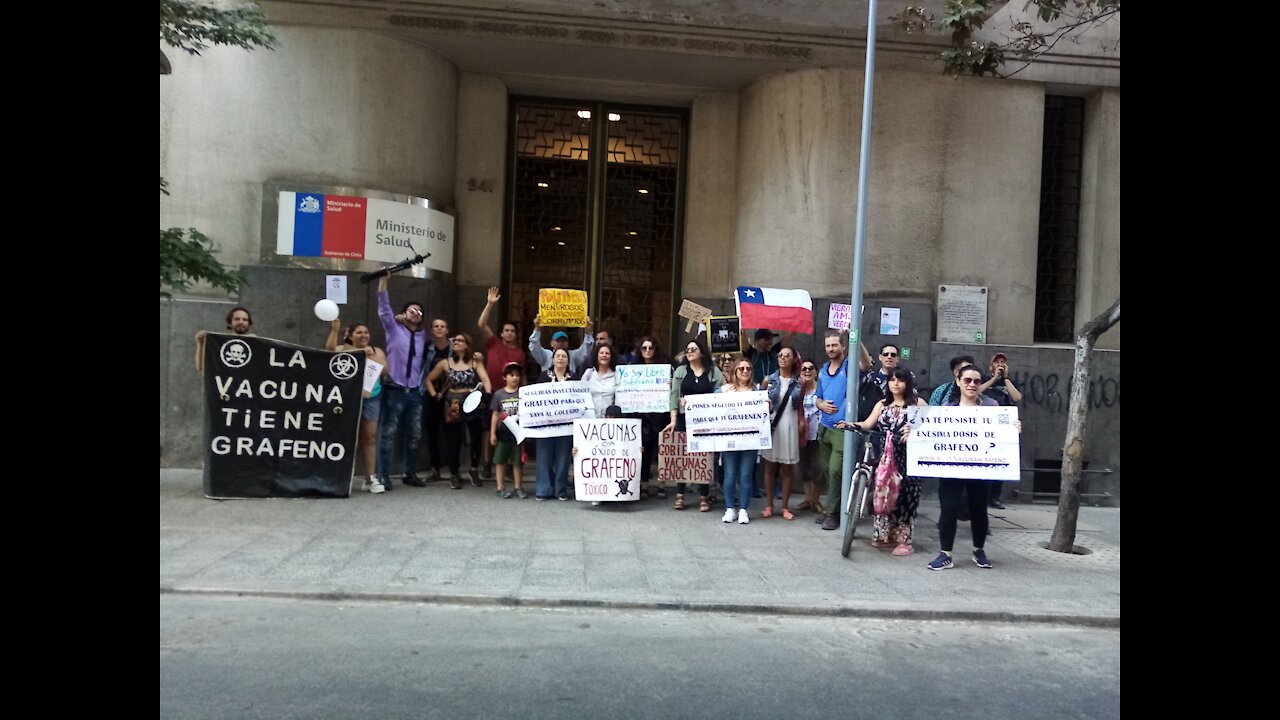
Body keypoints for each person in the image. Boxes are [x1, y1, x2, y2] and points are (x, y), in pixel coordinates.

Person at [927, 365, 1022, 571]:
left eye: (976, 381)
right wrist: (913, 430)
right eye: (967, 380)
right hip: (951, 467)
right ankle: (946, 554)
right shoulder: (946, 409)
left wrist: (1013, 429)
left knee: (979, 509)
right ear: (958, 382)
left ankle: (979, 550)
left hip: (980, 468)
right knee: (949, 508)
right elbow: (931, 433)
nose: (972, 384)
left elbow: (1003, 434)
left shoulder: (993, 407)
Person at [842, 367, 927, 556]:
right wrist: (850, 424)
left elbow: (925, 429)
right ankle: (883, 534)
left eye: (900, 380)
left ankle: (904, 539)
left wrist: (912, 431)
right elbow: (868, 423)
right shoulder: (882, 404)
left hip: (908, 458)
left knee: (906, 497)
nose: (896, 384)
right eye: (892, 380)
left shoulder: (917, 404)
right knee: (884, 493)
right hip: (886, 457)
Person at [814, 331, 873, 530]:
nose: (831, 349)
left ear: (843, 347)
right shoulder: (822, 370)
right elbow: (817, 397)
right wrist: (820, 405)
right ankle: (833, 508)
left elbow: (866, 364)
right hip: (825, 427)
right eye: (828, 346)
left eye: (834, 345)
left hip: (843, 429)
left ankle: (834, 514)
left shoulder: (850, 366)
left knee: (836, 470)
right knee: (827, 471)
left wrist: (854, 335)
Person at [375, 275, 430, 490]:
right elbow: (383, 307)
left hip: (414, 391)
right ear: (405, 313)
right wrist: (383, 281)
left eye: (419, 311)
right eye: (412, 310)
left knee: (415, 435)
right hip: (393, 388)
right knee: (388, 433)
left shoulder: (424, 335)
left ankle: (409, 473)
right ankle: (383, 475)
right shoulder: (393, 328)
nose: (416, 313)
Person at [326, 318, 389, 494]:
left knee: (370, 438)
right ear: (351, 335)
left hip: (371, 397)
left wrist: (369, 358)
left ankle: (370, 477)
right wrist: (334, 331)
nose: (363, 335)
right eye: (359, 332)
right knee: (343, 437)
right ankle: (337, 476)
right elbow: (329, 351)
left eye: (366, 332)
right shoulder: (344, 350)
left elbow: (386, 372)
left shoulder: (376, 351)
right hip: (348, 398)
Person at [425, 332, 492, 489]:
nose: (456, 342)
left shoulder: (475, 362)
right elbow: (428, 379)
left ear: (467, 345)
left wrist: (487, 395)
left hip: (471, 403)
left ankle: (474, 469)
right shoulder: (445, 363)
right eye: (454, 340)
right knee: (452, 439)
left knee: (475, 437)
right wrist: (435, 395)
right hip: (452, 404)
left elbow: (486, 380)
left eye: (460, 340)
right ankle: (454, 473)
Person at [663, 338, 724, 512]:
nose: (689, 352)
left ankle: (704, 495)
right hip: (684, 419)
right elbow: (674, 395)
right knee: (683, 455)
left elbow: (720, 394)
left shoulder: (714, 372)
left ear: (702, 352)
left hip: (706, 420)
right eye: (687, 349)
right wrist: (673, 420)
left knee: (703, 457)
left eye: (693, 349)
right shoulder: (681, 371)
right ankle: (680, 494)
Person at [477, 287, 526, 479]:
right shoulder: (493, 343)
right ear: (502, 333)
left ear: (516, 334)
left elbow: (521, 377)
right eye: (506, 330)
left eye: (512, 331)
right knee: (490, 429)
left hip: (512, 396)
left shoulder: (520, 353)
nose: (509, 333)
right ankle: (488, 463)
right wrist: (490, 304)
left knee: (510, 429)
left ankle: (506, 464)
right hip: (493, 393)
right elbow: (481, 324)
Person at [718, 356, 762, 524]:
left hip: (750, 440)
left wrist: (767, 405)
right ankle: (730, 508)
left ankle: (743, 509)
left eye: (748, 369)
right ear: (734, 371)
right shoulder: (724, 390)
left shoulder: (757, 391)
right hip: (729, 438)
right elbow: (706, 402)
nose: (745, 371)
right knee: (729, 474)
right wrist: (689, 401)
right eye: (741, 368)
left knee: (745, 475)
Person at [760, 346, 802, 520]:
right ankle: (769, 504)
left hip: (790, 424)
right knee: (770, 466)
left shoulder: (800, 382)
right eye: (780, 355)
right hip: (773, 425)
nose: (783, 358)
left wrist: (801, 424)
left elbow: (800, 406)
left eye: (787, 355)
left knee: (787, 468)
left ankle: (785, 506)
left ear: (793, 359)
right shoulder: (768, 380)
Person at [533, 347, 577, 500]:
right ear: (552, 360)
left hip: (566, 426)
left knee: (563, 459)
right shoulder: (544, 376)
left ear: (568, 360)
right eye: (557, 356)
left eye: (564, 356)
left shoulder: (574, 378)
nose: (560, 359)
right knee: (544, 458)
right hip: (545, 425)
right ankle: (543, 490)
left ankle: (561, 490)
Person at [981, 352, 1023, 510]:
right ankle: (984, 496)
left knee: (1000, 462)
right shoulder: (984, 379)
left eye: (1003, 362)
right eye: (997, 362)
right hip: (986, 425)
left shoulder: (1010, 382)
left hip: (1004, 426)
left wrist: (1005, 379)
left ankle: (995, 497)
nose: (1000, 364)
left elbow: (1017, 397)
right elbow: (978, 391)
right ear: (990, 366)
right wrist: (994, 379)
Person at [632, 336, 671, 499]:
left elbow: (674, 386)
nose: (647, 351)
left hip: (660, 414)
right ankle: (645, 483)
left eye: (650, 348)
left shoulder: (665, 367)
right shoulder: (633, 369)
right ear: (639, 351)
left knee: (661, 450)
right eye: (644, 348)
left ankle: (662, 483)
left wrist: (669, 383)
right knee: (645, 451)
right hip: (642, 415)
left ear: (655, 349)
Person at [419, 315, 453, 483]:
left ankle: (454, 470)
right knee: (431, 432)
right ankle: (435, 469)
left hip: (451, 396)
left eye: (442, 326)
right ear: (432, 331)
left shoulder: (455, 348)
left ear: (447, 330)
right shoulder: (427, 348)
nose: (439, 328)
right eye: (436, 326)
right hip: (430, 394)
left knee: (451, 432)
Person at [488, 362, 527, 499]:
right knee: (500, 461)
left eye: (517, 375)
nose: (515, 378)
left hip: (518, 434)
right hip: (503, 433)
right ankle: (500, 487)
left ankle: (518, 487)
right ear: (505, 377)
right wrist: (492, 433)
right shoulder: (499, 394)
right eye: (511, 375)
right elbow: (495, 414)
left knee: (517, 462)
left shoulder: (524, 393)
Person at [794, 357, 824, 515]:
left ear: (816, 372)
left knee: (819, 467)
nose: (807, 371)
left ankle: (816, 499)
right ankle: (808, 499)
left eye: (810, 368)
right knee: (804, 467)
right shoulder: (798, 390)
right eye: (804, 369)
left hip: (818, 434)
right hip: (801, 434)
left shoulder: (822, 388)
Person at [528, 313, 595, 375]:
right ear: (551, 343)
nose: (560, 343)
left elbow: (586, 350)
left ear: (567, 343)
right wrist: (537, 329)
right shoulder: (546, 355)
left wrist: (588, 333)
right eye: (558, 341)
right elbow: (534, 347)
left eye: (563, 341)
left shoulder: (573, 356)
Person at [194, 306, 254, 372]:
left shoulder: (255, 343)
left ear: (249, 324)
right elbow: (200, 367)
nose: (241, 322)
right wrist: (200, 343)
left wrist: (257, 343)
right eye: (237, 319)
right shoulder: (219, 344)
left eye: (245, 319)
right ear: (230, 323)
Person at [579, 343, 618, 419]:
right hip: (589, 420)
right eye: (601, 353)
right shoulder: (588, 373)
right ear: (597, 356)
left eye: (607, 353)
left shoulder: (616, 375)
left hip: (610, 420)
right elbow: (580, 395)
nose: (604, 355)